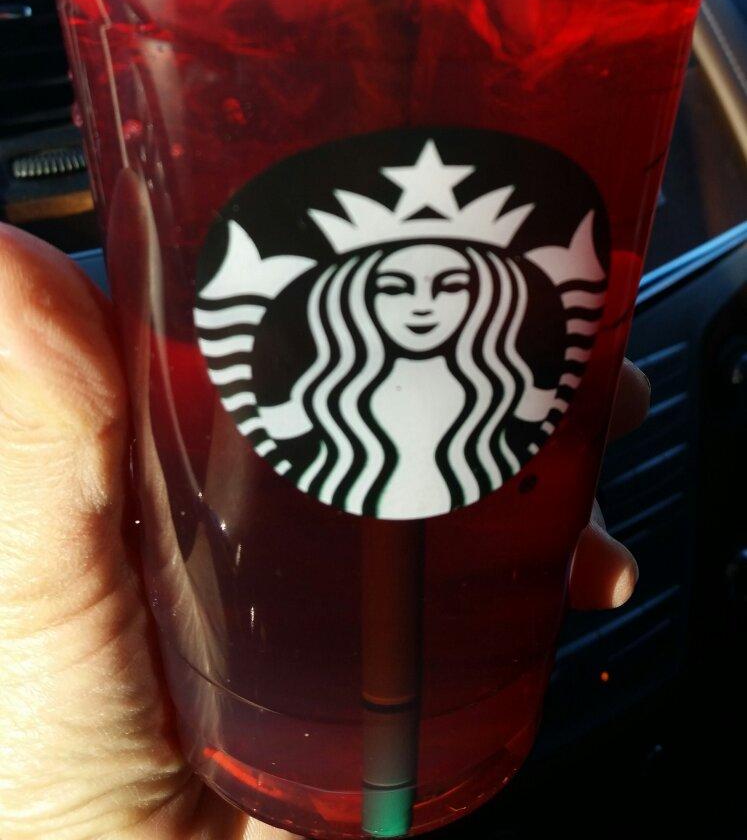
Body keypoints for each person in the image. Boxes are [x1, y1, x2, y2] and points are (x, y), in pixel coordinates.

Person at [0, 223, 649, 840]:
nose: (423, 306)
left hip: (472, 709)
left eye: (450, 285)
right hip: (228, 724)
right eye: (395, 287)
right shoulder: (320, 397)